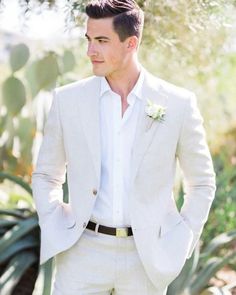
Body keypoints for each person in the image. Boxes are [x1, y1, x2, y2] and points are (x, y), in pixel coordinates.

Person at [31, 0, 216, 294]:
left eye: (102, 41)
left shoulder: (178, 103)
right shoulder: (68, 100)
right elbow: (46, 175)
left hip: (146, 257)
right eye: (89, 39)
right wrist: (54, 222)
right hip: (82, 252)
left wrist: (182, 238)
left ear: (131, 43)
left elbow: (202, 183)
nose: (91, 51)